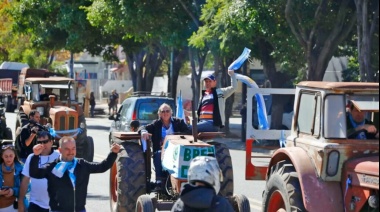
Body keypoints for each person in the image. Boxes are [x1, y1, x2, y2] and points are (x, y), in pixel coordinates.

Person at [29, 136, 121, 212]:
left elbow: (102, 166)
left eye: (73, 149)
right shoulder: (53, 167)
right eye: (67, 149)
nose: (71, 152)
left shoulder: (82, 164)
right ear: (60, 150)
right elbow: (34, 173)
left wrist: (113, 153)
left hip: (79, 210)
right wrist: (36, 156)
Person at [139, 103, 190, 190]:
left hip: (177, 150)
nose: (165, 113)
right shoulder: (156, 124)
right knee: (158, 154)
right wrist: (143, 132)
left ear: (171, 113)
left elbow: (188, 131)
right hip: (162, 151)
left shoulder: (179, 122)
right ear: (159, 114)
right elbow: (142, 127)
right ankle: (159, 182)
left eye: (167, 111)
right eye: (163, 111)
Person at [18, 131, 60, 212]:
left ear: (51, 142)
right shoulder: (31, 157)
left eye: (45, 142)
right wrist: (20, 201)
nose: (42, 145)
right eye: (39, 142)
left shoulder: (58, 157)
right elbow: (25, 180)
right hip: (35, 203)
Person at [0, 145, 24, 212]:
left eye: (11, 156)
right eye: (6, 156)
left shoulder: (21, 169)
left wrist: (13, 191)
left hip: (15, 204)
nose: (8, 159)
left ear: (14, 155)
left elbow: (27, 187)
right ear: (2, 156)